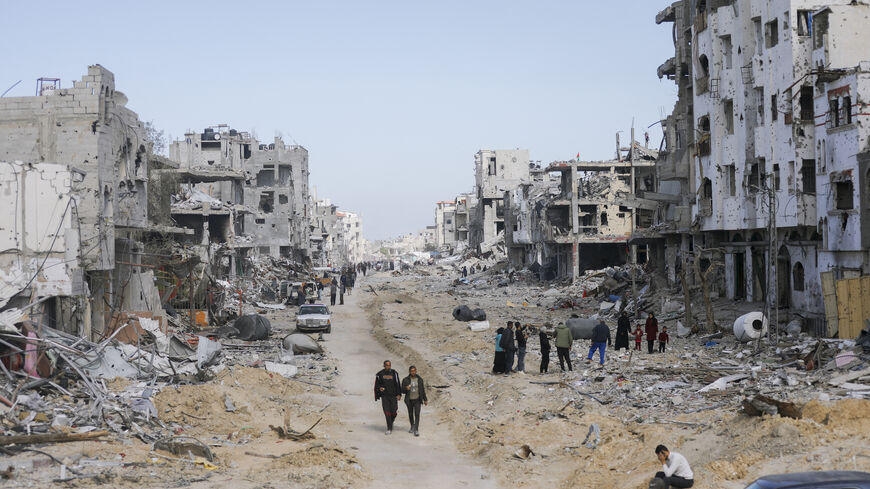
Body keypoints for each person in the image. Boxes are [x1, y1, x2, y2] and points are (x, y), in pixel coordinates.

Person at [374, 360, 402, 435]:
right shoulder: (380, 374)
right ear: (384, 365)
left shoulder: (394, 373)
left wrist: (399, 394)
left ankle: (391, 421)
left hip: (393, 396)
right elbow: (377, 385)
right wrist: (380, 388)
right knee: (387, 412)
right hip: (385, 396)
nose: (388, 366)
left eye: (389, 365)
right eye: (387, 365)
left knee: (394, 411)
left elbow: (398, 384)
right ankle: (389, 428)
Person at [401, 366, 428, 436]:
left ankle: (416, 429)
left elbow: (422, 390)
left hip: (417, 400)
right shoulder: (405, 380)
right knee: (410, 414)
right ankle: (412, 426)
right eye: (411, 371)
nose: (413, 372)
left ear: (416, 371)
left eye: (414, 371)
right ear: (409, 372)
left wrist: (425, 399)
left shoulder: (419, 379)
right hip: (409, 400)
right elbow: (402, 390)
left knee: (417, 414)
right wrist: (406, 388)